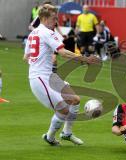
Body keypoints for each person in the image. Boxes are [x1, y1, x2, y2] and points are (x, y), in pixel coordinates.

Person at [23, 5, 100, 146]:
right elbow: (63, 53)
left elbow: (26, 57)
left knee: (75, 100)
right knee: (64, 110)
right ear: (45, 18)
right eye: (54, 18)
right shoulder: (47, 32)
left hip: (49, 75)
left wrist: (42, 56)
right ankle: (50, 137)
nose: (56, 21)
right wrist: (85, 59)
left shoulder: (33, 33)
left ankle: (67, 134)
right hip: (40, 79)